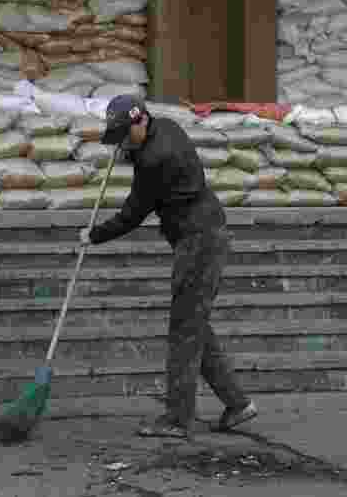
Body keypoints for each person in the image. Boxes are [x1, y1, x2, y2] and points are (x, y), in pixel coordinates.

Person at [80, 94, 258, 439]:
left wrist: (95, 235)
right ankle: (237, 404)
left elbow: (133, 213)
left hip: (198, 242)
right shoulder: (168, 127)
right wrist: (128, 150)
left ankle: (177, 419)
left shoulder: (154, 159)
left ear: (140, 121)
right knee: (193, 325)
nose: (119, 142)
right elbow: (142, 153)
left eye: (122, 135)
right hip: (206, 232)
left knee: (184, 331)